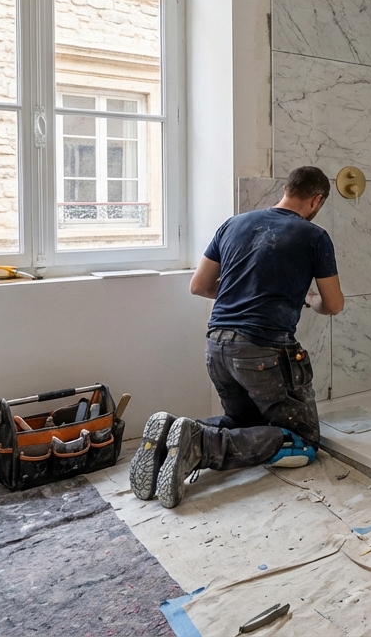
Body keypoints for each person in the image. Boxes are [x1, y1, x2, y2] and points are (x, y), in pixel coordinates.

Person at [128, 167, 344, 508]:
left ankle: (174, 431)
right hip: (264, 352)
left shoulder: (233, 224)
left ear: (286, 189)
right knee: (302, 442)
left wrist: (242, 295)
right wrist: (308, 299)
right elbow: (333, 304)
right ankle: (201, 446)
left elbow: (198, 286)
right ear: (316, 200)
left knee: (246, 424)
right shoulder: (313, 236)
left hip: (217, 346)